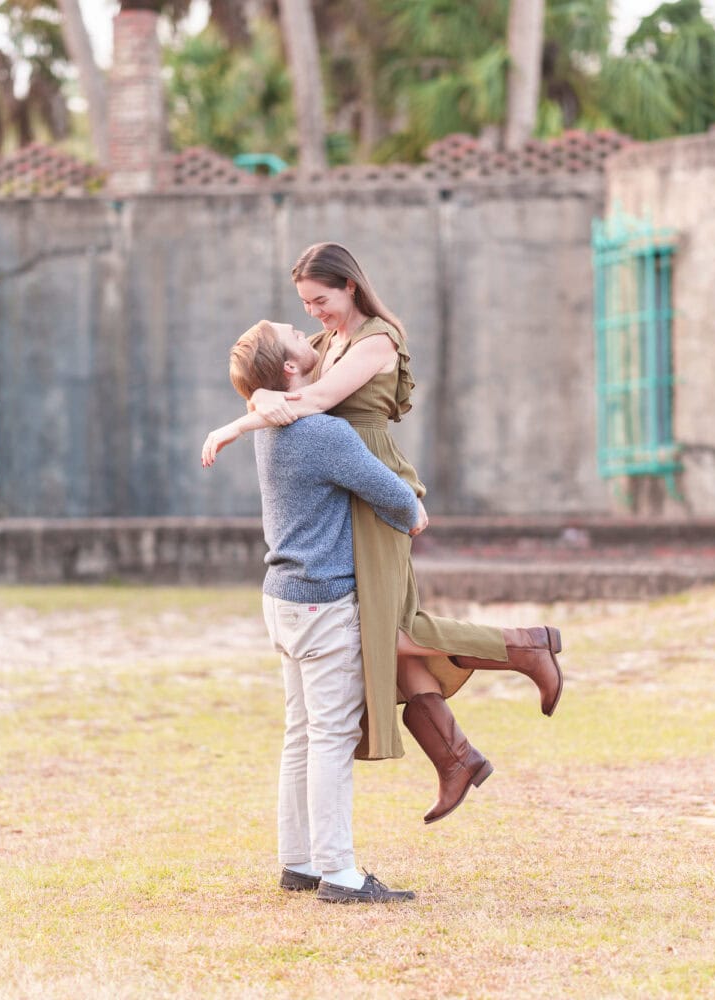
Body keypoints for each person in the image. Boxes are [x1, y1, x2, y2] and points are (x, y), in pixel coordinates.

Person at [202, 243, 563, 825]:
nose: (314, 312)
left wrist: (236, 423)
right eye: (304, 304)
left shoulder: (375, 340)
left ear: (349, 285)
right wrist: (261, 395)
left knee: (392, 629)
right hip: (342, 487)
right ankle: (456, 757)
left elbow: (312, 399)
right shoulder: (325, 343)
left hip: (372, 480)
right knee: (379, 635)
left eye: (320, 299)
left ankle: (524, 646)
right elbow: (282, 381)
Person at [232, 320, 421, 903]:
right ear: (290, 368)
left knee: (301, 733)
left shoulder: (272, 428)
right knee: (332, 737)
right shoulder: (324, 434)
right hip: (324, 600)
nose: (305, 331)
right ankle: (339, 872)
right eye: (292, 333)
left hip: (281, 596)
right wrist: (413, 511)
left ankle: (300, 861)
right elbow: (394, 496)